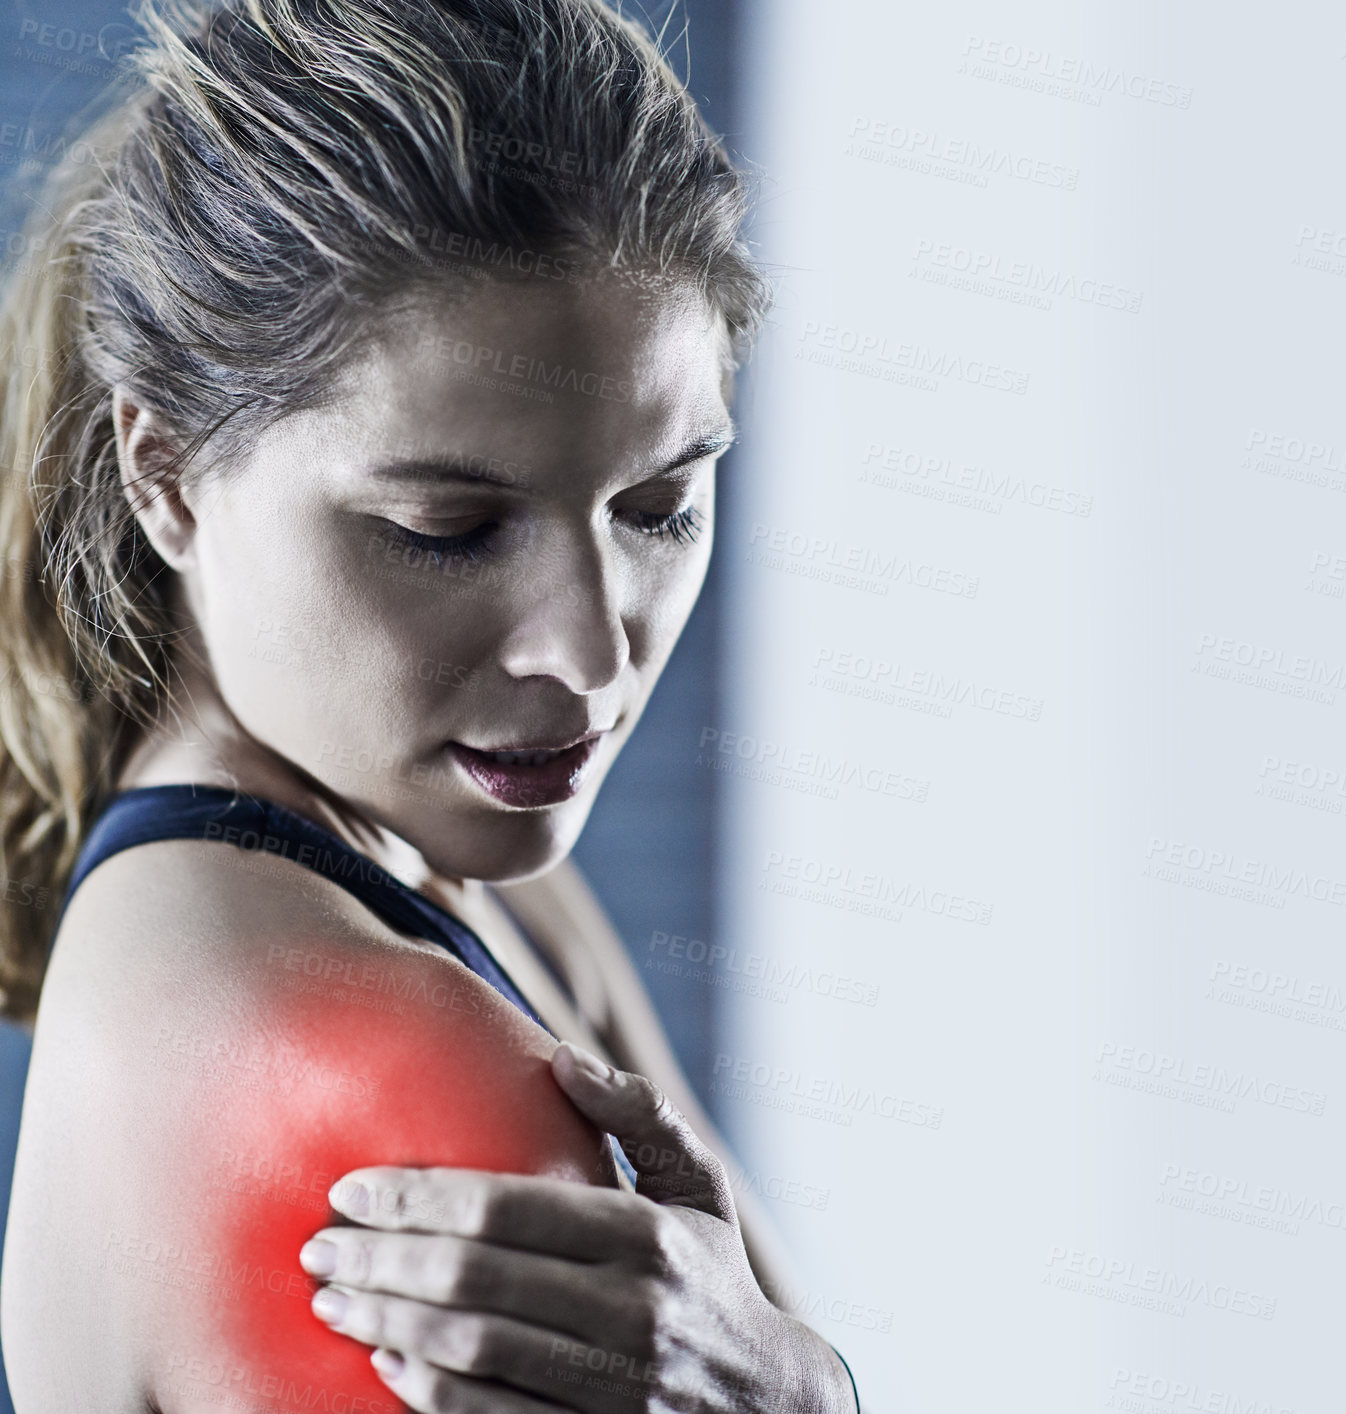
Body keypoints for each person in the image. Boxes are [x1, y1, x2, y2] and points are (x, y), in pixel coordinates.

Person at [0, 2, 862, 1410]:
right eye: (446, 527)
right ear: (162, 473)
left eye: (659, 506)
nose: (587, 660)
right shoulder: (390, 1061)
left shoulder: (478, 864)